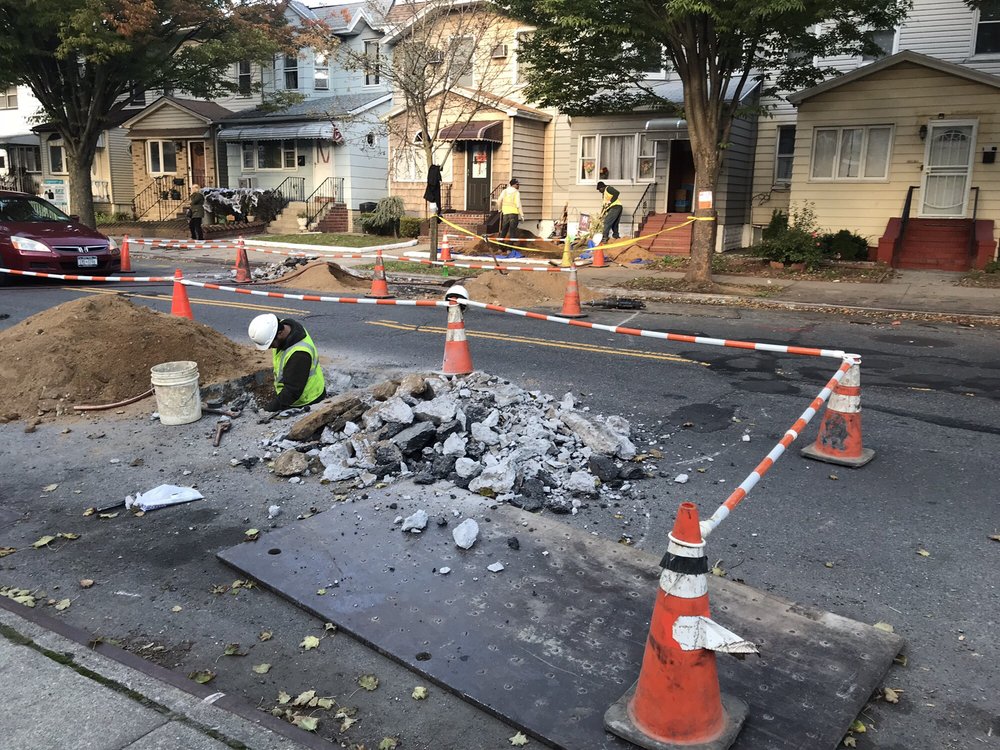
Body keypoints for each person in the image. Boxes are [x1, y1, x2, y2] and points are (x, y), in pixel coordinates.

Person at [247, 313, 327, 413]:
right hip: (296, 389)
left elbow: (292, 392)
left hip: (306, 401)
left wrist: (268, 410)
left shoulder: (299, 355)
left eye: (271, 344)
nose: (270, 347)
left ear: (280, 333)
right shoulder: (285, 327)